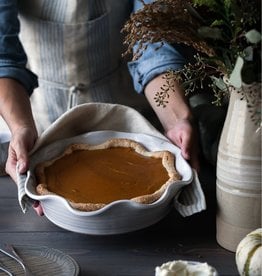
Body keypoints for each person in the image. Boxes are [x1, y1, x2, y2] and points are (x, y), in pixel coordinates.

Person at [0, 0, 198, 193]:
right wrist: (21, 127)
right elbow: (3, 57)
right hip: (38, 123)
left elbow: (156, 46)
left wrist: (175, 120)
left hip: (127, 122)